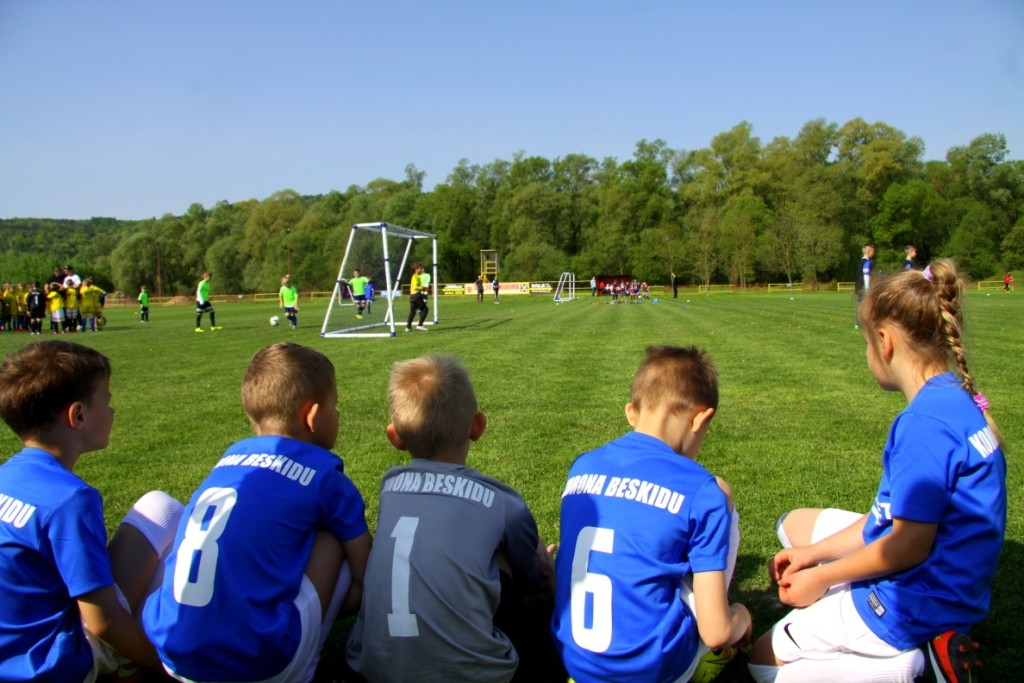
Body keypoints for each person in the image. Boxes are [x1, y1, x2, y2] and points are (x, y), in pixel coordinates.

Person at [747, 259, 1006, 683]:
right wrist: (814, 556)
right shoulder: (957, 398)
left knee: (762, 663)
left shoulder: (923, 425)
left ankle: (915, 664)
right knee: (794, 527)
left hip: (918, 599)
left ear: (884, 342)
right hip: (956, 583)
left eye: (866, 342)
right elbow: (890, 517)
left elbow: (906, 548)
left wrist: (823, 577)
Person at [142, 342, 372, 683]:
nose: (338, 415)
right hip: (258, 663)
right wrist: (348, 604)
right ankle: (304, 665)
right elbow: (367, 570)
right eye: (334, 406)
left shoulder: (229, 458)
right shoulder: (323, 472)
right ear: (312, 416)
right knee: (332, 538)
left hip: (171, 655)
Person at [346, 355, 557, 683]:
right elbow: (531, 579)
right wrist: (541, 565)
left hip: (373, 667)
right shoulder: (500, 500)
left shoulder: (390, 485)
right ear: (478, 426)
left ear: (394, 436)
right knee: (503, 549)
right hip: (476, 673)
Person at [552, 345, 752, 683]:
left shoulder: (581, 466)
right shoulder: (702, 490)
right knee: (722, 494)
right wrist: (741, 618)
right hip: (654, 669)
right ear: (700, 419)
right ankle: (703, 659)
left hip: (576, 660)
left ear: (632, 412)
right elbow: (717, 632)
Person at [0, 340, 183, 681]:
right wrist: (168, 669)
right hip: (52, 663)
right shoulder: (69, 499)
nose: (112, 411)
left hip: (10, 655)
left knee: (160, 509)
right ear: (78, 415)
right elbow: (103, 622)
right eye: (107, 400)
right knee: (166, 530)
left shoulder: (6, 476)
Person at [854, 243, 874, 329]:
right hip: (864, 288)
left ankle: (857, 324)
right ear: (869, 251)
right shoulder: (867, 262)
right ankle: (867, 323)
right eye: (873, 251)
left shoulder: (860, 262)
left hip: (858, 287)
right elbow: (866, 275)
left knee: (860, 306)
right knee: (867, 306)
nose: (874, 253)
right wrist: (867, 289)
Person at [406, 263, 429, 331]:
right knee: (425, 309)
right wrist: (423, 288)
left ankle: (408, 327)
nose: (421, 269)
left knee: (412, 311)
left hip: (412, 296)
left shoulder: (416, 276)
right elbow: (415, 287)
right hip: (416, 295)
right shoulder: (415, 276)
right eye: (420, 268)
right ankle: (420, 325)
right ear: (416, 269)